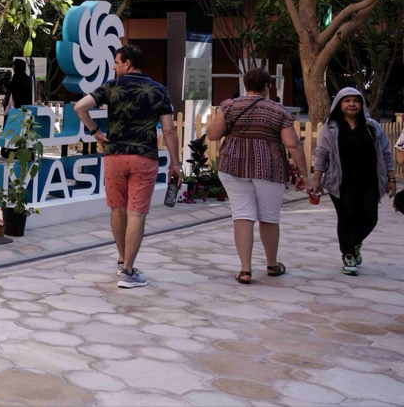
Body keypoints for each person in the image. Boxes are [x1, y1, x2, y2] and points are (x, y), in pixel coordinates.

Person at [73, 44, 180, 289]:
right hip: (144, 157)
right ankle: (128, 271)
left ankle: (122, 261)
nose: (114, 67)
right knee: (137, 213)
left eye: (116, 62)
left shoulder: (111, 86)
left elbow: (80, 107)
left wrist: (95, 131)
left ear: (127, 63)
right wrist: (175, 164)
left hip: (115, 156)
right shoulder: (159, 90)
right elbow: (169, 130)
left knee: (117, 210)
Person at [205, 68, 308, 284]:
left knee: (242, 215)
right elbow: (292, 144)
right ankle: (272, 264)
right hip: (268, 168)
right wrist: (302, 172)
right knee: (269, 217)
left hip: (232, 165)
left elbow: (212, 134)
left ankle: (245, 270)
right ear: (267, 86)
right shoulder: (279, 111)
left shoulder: (229, 106)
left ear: (245, 85)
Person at [310, 87, 396, 275]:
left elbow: (386, 153)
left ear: (361, 104)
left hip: (369, 181)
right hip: (340, 181)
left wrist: (391, 178)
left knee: (370, 218)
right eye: (347, 101)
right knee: (347, 217)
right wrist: (316, 179)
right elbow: (322, 154)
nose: (351, 104)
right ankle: (348, 254)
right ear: (339, 104)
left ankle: (355, 243)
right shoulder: (331, 127)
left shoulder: (372, 127)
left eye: (355, 101)